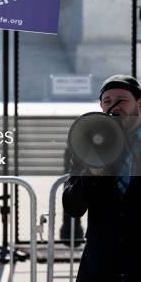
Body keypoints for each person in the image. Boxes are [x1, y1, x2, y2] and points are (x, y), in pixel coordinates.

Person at [62, 75, 141, 282]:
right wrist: (92, 170)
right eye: (107, 101)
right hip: (101, 265)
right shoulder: (86, 143)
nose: (114, 106)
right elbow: (72, 206)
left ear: (139, 103)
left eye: (121, 100)